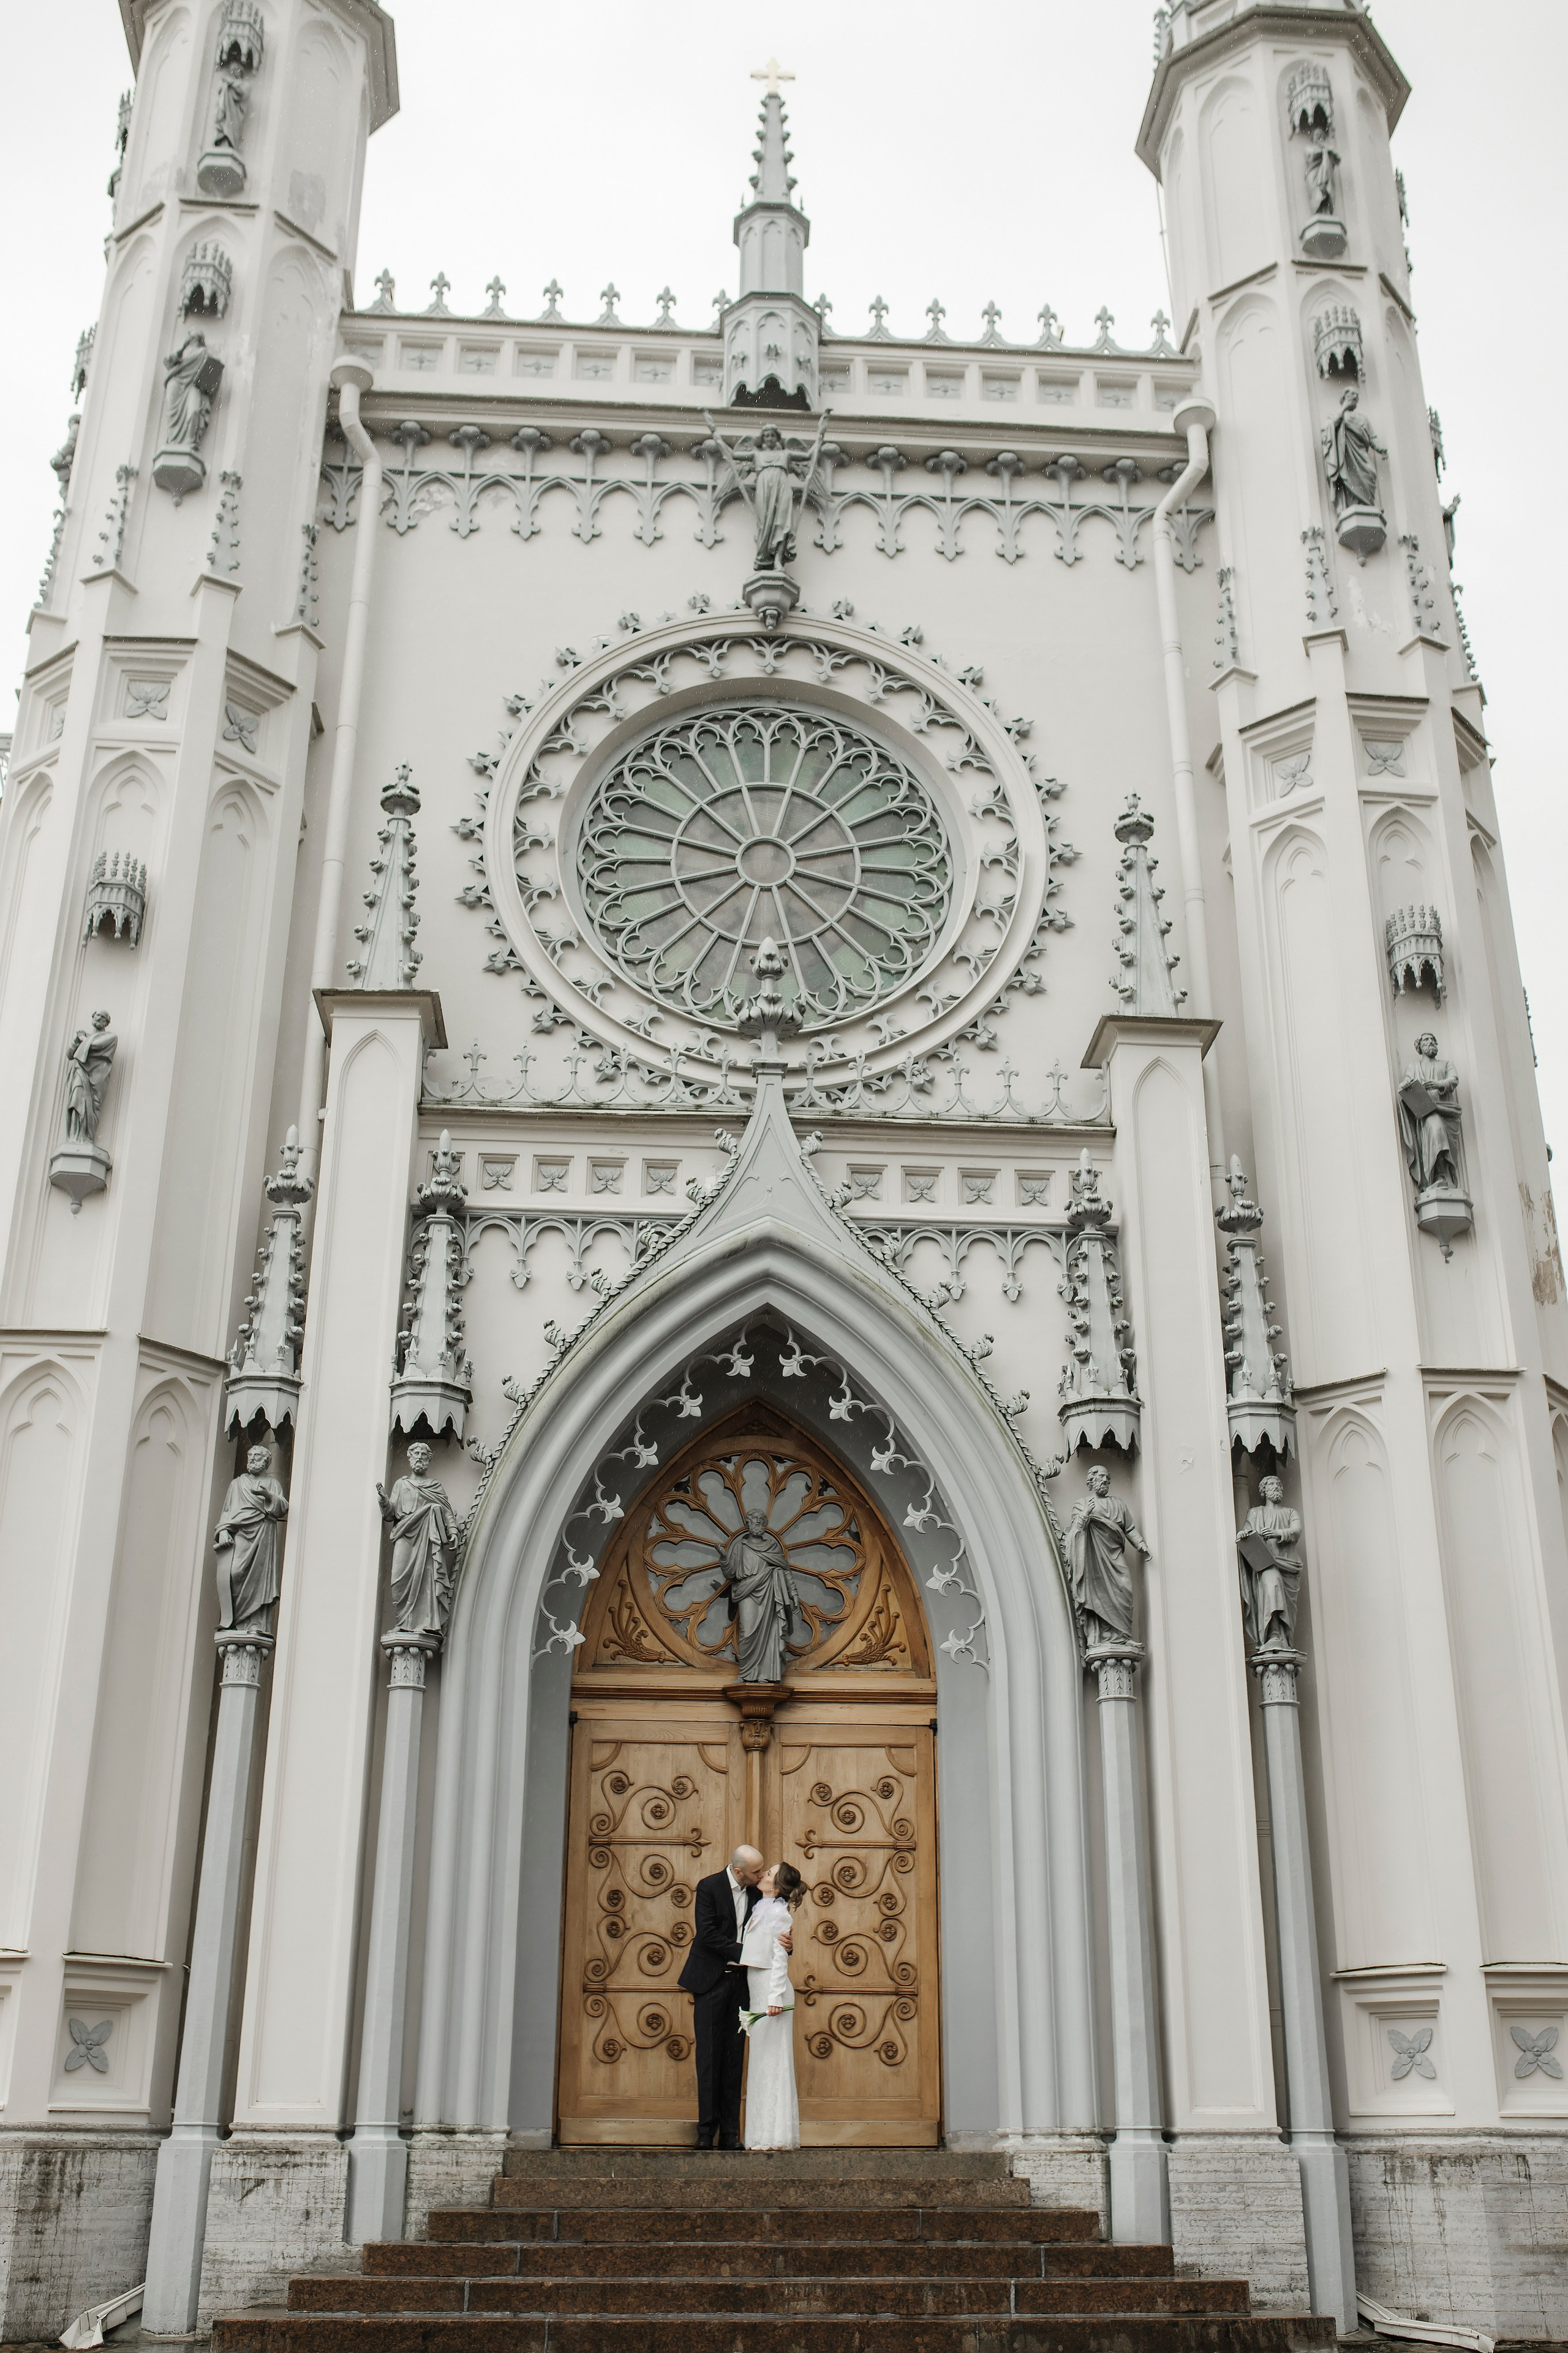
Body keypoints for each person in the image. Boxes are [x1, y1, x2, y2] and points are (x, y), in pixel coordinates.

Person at [676, 1843, 788, 2148]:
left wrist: (785, 1946)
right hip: (711, 1983)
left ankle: (730, 2135)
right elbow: (708, 1934)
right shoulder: (709, 1887)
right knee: (709, 2057)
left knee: (734, 2057)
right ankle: (705, 2133)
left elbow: (775, 1931)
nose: (762, 1874)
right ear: (739, 1871)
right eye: (756, 1871)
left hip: (742, 1984)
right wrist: (750, 1952)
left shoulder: (758, 1892)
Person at [739, 1860, 805, 2151]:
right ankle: (760, 2134)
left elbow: (780, 1959)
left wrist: (775, 1999)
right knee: (761, 2062)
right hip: (758, 1991)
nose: (763, 1874)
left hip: (771, 1994)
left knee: (773, 2062)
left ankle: (775, 2135)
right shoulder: (761, 1906)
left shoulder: (778, 1915)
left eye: (768, 1874)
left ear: (776, 1887)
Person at [1065, 1465, 1150, 1649]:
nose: (1104, 1481)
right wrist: (1085, 1515)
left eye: (1106, 1478)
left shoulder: (1118, 1504)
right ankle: (1101, 1637)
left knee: (1124, 1588)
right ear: (1091, 1481)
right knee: (1097, 1594)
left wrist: (1141, 1544)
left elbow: (1130, 1529)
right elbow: (1076, 1532)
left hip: (1114, 1556)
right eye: (1100, 1477)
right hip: (1093, 1561)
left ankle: (1124, 1635)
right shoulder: (1082, 1504)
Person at [213, 1444, 288, 1633]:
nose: (252, 1459)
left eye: (257, 1456)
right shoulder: (237, 1484)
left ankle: (256, 1623)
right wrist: (224, 1531)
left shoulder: (273, 1484)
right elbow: (228, 1512)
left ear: (266, 1462)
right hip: (242, 1534)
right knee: (235, 1573)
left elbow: (283, 1507)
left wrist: (268, 1495)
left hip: (264, 1533)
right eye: (250, 1456)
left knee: (260, 1580)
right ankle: (236, 1620)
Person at [720, 1508, 797, 1683]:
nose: (758, 1522)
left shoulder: (771, 1546)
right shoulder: (740, 1546)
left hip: (769, 1591)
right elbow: (731, 1573)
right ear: (748, 1522)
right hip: (746, 1591)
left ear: (765, 1524)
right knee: (747, 1632)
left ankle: (766, 1674)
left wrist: (793, 1592)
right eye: (755, 1518)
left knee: (771, 1632)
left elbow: (785, 1569)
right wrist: (725, 1559)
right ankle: (746, 1673)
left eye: (762, 1519)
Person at [1237, 1475, 1303, 1653]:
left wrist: (1277, 1533)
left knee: (1286, 1603)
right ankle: (1273, 1633)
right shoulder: (1255, 1513)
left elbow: (1296, 1531)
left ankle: (1284, 1636)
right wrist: (1243, 1534)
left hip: (1288, 1565)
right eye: (1272, 1485)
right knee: (1271, 1583)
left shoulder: (1290, 1513)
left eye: (1279, 1485)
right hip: (1266, 1563)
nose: (1277, 1488)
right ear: (1264, 1490)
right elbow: (1247, 1529)